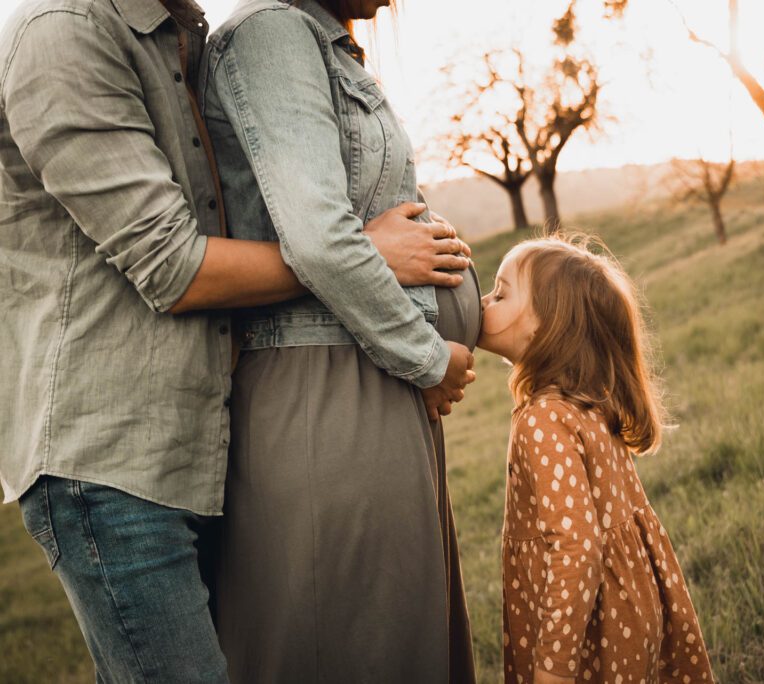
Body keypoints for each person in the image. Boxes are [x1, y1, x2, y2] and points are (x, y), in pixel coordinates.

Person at [0, 0, 470, 680]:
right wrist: (357, 255)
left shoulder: (182, 30)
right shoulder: (62, 32)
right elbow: (172, 264)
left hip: (198, 436)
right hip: (108, 458)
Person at [199, 0, 479, 681]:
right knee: (352, 643)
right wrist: (429, 357)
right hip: (325, 394)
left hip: (371, 379)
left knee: (399, 641)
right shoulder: (272, 32)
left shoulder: (327, 44)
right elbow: (321, 238)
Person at [477, 235, 716, 683]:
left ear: (547, 326)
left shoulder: (544, 419)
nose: (484, 302)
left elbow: (577, 546)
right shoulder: (587, 401)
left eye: (502, 292)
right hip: (630, 601)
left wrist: (554, 667)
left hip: (590, 625)